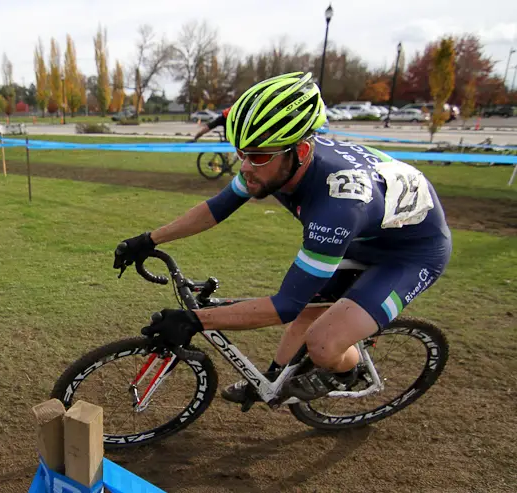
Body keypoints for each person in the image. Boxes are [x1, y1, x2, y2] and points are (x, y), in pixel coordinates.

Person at [113, 71, 452, 403]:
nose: (245, 166)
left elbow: (284, 306)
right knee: (308, 315)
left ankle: (346, 372)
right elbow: (216, 209)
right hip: (368, 233)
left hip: (412, 253)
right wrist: (149, 239)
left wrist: (194, 320)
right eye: (240, 152)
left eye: (257, 155)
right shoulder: (274, 163)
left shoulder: (337, 207)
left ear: (301, 152)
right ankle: (273, 381)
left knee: (321, 341)